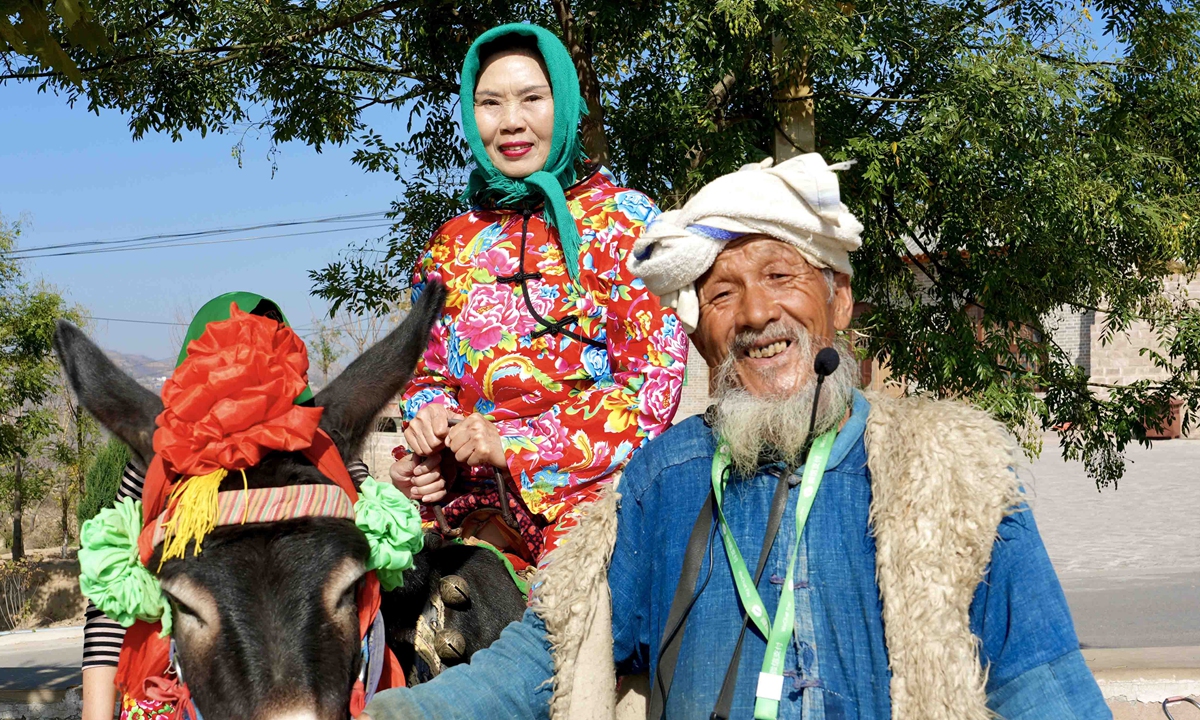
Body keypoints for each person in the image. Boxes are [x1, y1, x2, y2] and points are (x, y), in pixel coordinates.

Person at [362, 155, 1111, 720]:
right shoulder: (663, 480)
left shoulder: (955, 472)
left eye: (781, 277)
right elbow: (553, 648)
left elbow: (1041, 681)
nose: (755, 314)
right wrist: (394, 713)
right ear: (699, 336)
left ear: (839, 302)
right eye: (722, 293)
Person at [389, 23, 687, 564]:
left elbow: (650, 389)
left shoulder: (625, 223)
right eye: (490, 103)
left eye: (532, 98)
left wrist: (513, 446)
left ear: (565, 104)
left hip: (592, 502)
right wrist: (431, 433)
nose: (510, 121)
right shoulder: (448, 246)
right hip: (464, 505)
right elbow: (425, 375)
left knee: (570, 610)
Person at [79, 292, 373, 720]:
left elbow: (378, 549)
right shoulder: (158, 461)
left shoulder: (327, 455)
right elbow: (110, 599)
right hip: (184, 681)